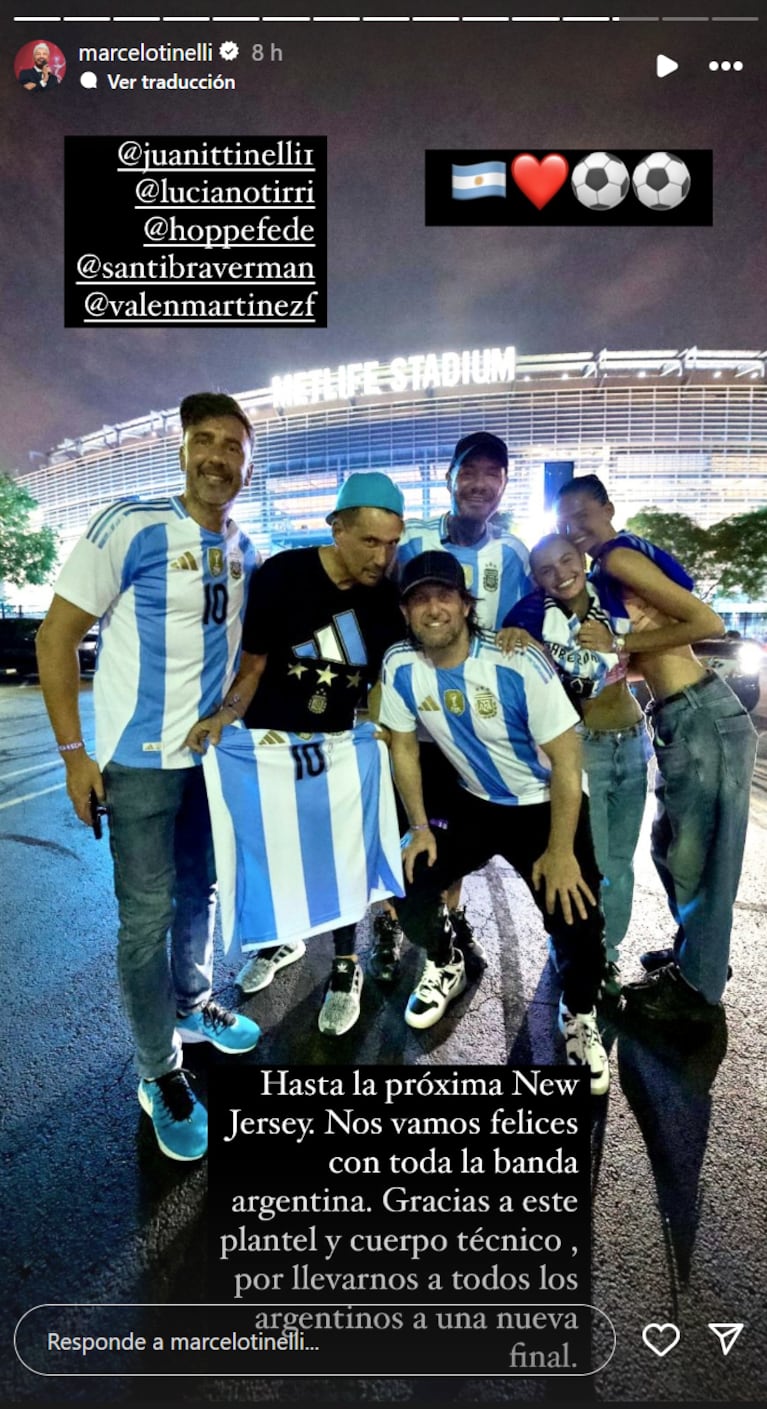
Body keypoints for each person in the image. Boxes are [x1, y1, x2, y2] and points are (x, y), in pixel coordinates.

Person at [35, 392, 262, 1162]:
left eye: (232, 446)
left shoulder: (245, 548)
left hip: (205, 765)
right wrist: (75, 755)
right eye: (204, 440)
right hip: (135, 766)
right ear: (180, 449)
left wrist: (229, 712)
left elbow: (250, 655)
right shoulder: (128, 523)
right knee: (144, 918)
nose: (218, 457)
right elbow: (57, 635)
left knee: (200, 890)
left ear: (246, 463)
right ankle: (156, 1069)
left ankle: (194, 1005)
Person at [379, 550, 610, 1094]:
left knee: (577, 918)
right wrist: (419, 826)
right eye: (419, 599)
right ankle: (448, 958)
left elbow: (568, 760)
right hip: (474, 803)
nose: (433, 608)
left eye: (444, 596)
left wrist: (559, 850)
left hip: (542, 805)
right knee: (406, 882)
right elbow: (404, 748)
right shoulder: (399, 665)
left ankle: (579, 1014)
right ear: (406, 612)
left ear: (465, 605)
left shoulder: (515, 661)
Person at [185, 471, 407, 1038]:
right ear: (336, 528)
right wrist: (224, 716)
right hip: (270, 747)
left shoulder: (386, 594)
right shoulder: (284, 574)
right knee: (273, 848)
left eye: (392, 543)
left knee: (340, 855)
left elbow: (379, 678)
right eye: (370, 542)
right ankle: (281, 941)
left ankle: (343, 967)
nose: (381, 556)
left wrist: (378, 727)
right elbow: (254, 663)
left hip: (334, 749)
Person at [555, 474, 758, 1022]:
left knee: (700, 859)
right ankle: (696, 957)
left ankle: (695, 989)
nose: (573, 529)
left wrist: (619, 642)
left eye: (583, 516)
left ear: (608, 510)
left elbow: (706, 620)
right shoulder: (604, 568)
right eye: (564, 521)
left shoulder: (617, 558)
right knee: (670, 848)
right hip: (677, 717)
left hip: (700, 716)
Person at [370, 430, 532, 985]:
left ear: (505, 485)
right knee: (402, 831)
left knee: (452, 836)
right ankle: (390, 920)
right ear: (449, 478)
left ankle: (452, 918)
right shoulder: (411, 544)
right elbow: (375, 608)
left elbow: (526, 624)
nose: (479, 484)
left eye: (492, 474)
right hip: (411, 726)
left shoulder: (513, 553)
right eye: (469, 471)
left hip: (472, 731)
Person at [501, 533, 652, 995]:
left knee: (622, 864)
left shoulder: (613, 595)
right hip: (581, 746)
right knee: (593, 860)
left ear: (582, 559)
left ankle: (607, 955)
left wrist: (617, 641)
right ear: (536, 578)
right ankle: (575, 947)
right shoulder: (528, 614)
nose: (560, 573)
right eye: (546, 569)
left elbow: (644, 656)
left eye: (566, 560)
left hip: (630, 739)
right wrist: (518, 639)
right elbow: (505, 660)